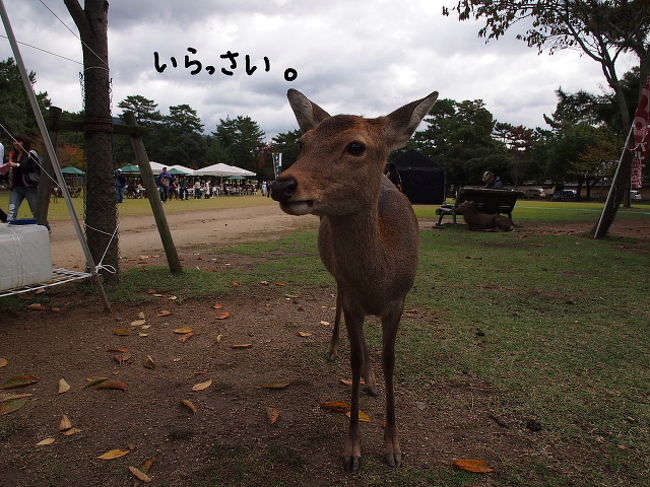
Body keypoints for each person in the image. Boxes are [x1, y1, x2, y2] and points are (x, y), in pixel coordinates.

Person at [6, 134, 41, 222]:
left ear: (24, 142)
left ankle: (45, 227)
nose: (16, 143)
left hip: (30, 187)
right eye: (14, 141)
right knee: (11, 211)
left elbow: (31, 167)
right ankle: (10, 229)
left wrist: (16, 165)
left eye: (18, 141)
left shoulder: (31, 152)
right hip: (16, 187)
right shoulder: (13, 154)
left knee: (36, 211)